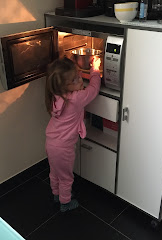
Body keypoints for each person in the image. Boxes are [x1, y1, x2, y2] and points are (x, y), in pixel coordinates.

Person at [45, 57, 101, 212]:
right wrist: (95, 69)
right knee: (66, 177)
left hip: (51, 143)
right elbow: (94, 89)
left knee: (55, 172)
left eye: (79, 76)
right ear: (64, 86)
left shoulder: (55, 95)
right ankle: (65, 202)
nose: (80, 80)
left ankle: (56, 195)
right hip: (64, 147)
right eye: (75, 79)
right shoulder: (76, 98)